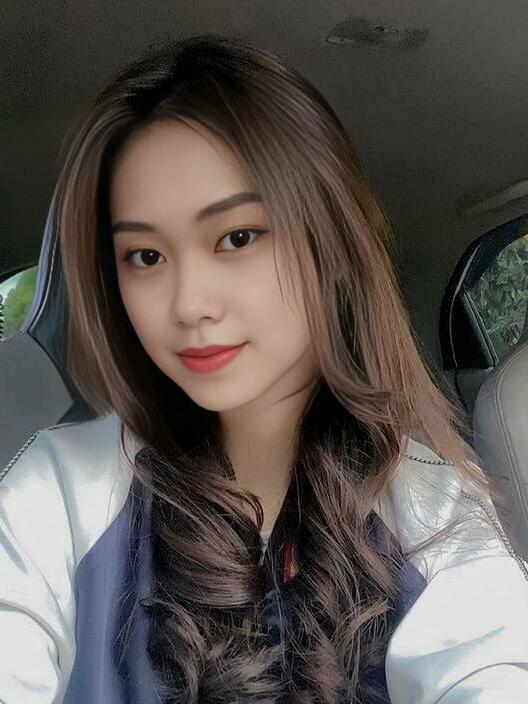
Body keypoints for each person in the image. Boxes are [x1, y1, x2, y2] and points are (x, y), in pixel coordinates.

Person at [1, 33, 527, 704]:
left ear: (330, 244)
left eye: (237, 237)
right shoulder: (62, 494)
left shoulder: (432, 505)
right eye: (146, 257)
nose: (189, 304)